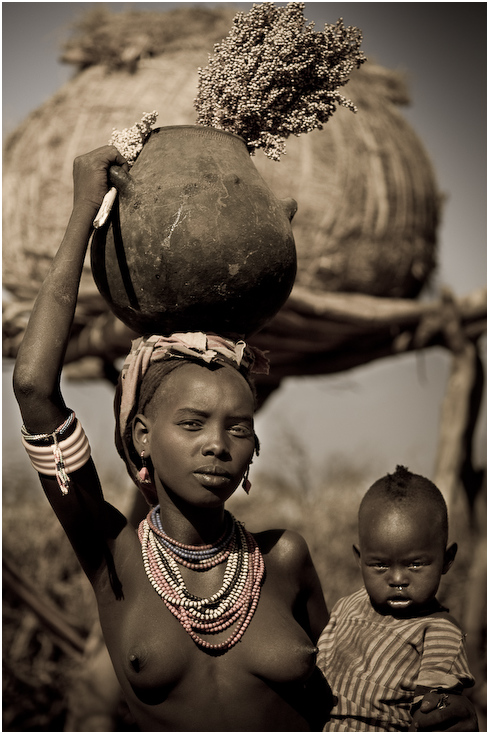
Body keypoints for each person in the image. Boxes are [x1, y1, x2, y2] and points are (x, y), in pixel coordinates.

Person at [13, 148, 478, 732]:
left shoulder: (284, 558)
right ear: (142, 436)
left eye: (239, 427)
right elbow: (34, 388)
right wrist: (85, 207)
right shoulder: (114, 553)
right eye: (191, 423)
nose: (218, 445)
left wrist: (445, 707)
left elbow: (347, 697)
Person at [317, 465, 476, 732]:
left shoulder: (439, 632)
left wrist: (437, 704)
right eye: (379, 565)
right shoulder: (346, 607)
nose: (398, 579)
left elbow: (432, 712)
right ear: (360, 559)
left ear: (446, 560)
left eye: (415, 564)